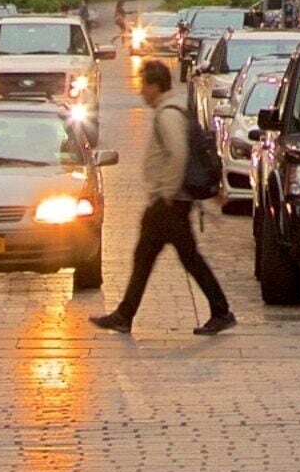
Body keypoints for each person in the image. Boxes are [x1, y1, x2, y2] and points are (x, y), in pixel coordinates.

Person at [91, 59, 236, 338]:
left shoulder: (168, 113)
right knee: (151, 256)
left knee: (179, 257)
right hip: (171, 200)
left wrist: (167, 191)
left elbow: (178, 153)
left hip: (170, 201)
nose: (141, 91)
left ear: (155, 85)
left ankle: (220, 311)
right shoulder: (172, 109)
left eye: (144, 84)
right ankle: (125, 314)